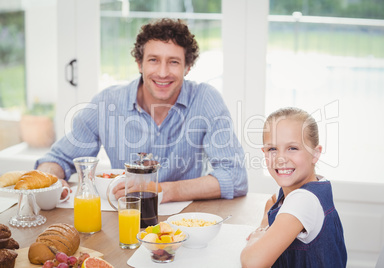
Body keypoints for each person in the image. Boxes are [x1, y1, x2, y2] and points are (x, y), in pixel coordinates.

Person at [35, 18, 248, 203]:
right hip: (127, 218)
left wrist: (164, 190)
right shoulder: (107, 103)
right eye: (153, 60)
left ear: (187, 67)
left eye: (173, 62)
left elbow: (235, 177)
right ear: (139, 63)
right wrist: (50, 179)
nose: (163, 73)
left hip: (186, 222)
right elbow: (59, 158)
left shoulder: (205, 99)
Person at [240, 107, 347, 267]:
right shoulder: (315, 187)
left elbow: (253, 262)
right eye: (272, 149)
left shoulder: (303, 200)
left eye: (292, 148)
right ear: (264, 153)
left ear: (315, 153)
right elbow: (273, 201)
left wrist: (259, 233)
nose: (281, 158)